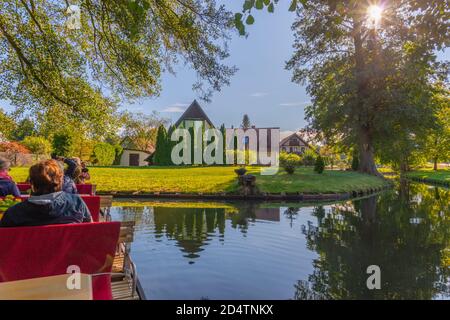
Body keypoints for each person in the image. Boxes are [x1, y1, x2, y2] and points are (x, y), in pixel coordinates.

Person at [0, 159, 92, 227]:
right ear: (60, 181)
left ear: (31, 183)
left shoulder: (14, 214)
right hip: (70, 252)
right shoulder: (76, 203)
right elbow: (90, 230)